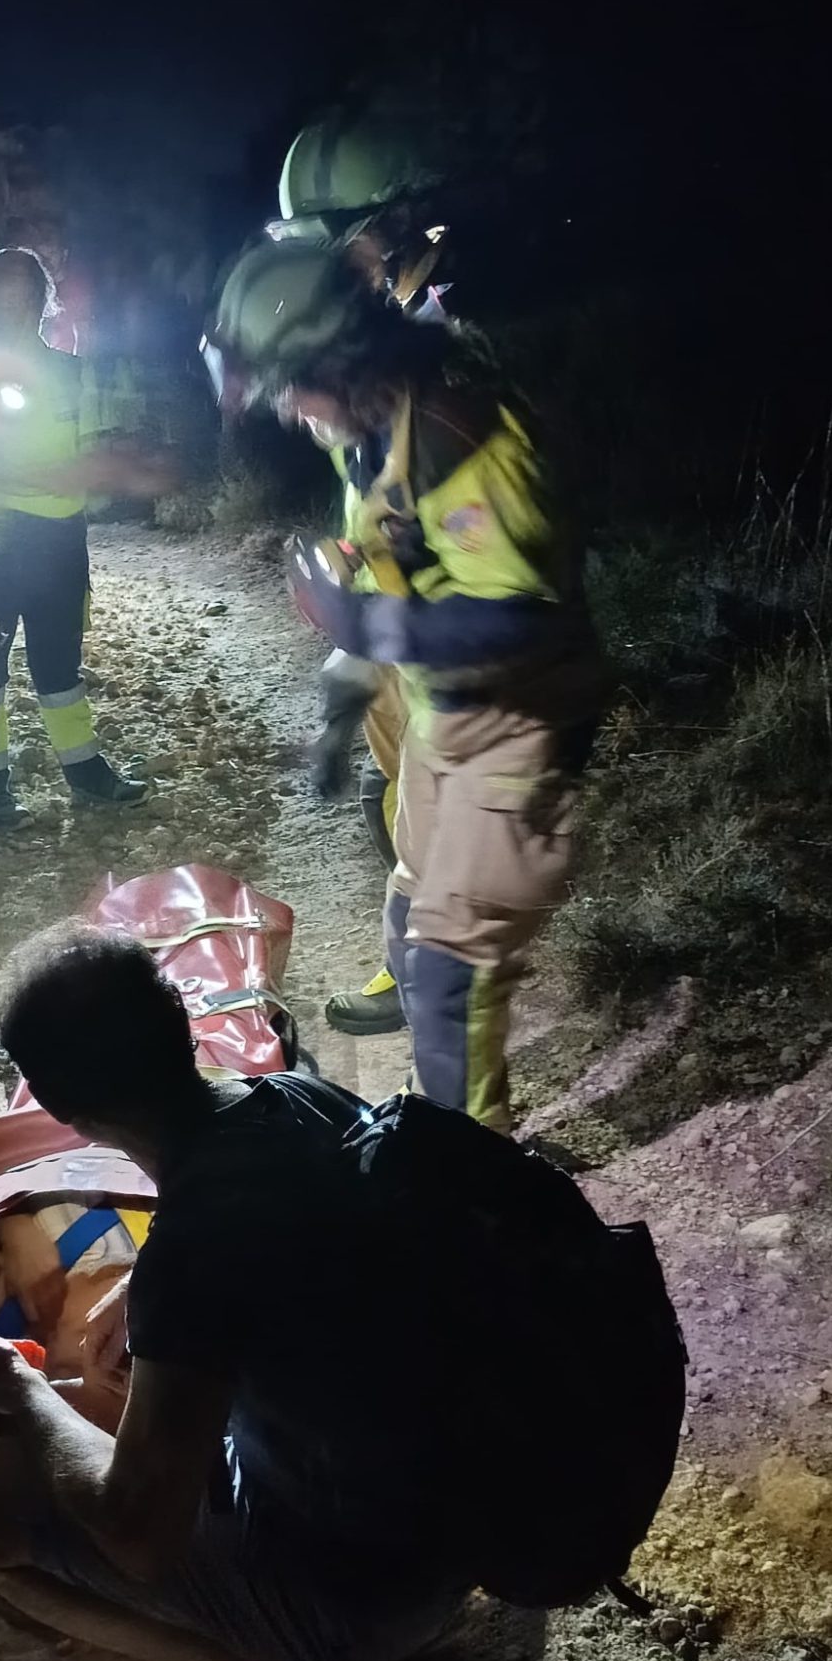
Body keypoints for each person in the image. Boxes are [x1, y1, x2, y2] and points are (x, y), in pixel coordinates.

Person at [0, 924, 471, 1661]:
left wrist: (23, 1393)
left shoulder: (193, 1255)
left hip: (374, 1600)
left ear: (59, 1109)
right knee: (118, 1410)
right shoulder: (302, 1099)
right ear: (182, 1025)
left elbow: (137, 1535)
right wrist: (147, 1285)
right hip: (469, 1517)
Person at [203, 240, 607, 1133]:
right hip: (444, 713)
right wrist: (344, 688)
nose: (285, 409)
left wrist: (365, 626)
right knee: (408, 911)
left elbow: (525, 624)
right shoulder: (368, 426)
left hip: (518, 724)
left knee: (449, 973)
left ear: (336, 362)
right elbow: (386, 549)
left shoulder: (457, 437)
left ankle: (469, 1173)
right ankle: (437, 1113)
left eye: (289, 386)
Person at [270, 106, 459, 1038]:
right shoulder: (376, 330)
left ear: (388, 231)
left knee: (434, 808)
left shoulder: (448, 341)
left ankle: (436, 998)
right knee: (395, 785)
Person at [0, 246, 170, 825]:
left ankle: (85, 772)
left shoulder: (72, 374)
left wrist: (79, 473)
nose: (13, 306)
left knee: (59, 662)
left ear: (43, 300)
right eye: (0, 295)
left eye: (26, 294)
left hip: (59, 539)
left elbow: (103, 458)